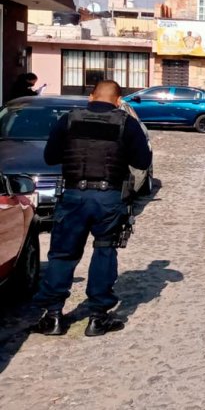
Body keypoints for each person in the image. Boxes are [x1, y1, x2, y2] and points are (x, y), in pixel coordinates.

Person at [31, 80, 152, 337]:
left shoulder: (69, 120)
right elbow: (142, 161)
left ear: (90, 97)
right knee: (104, 251)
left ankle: (52, 315)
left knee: (63, 254)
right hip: (108, 197)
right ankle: (98, 317)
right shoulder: (126, 123)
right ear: (119, 101)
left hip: (74, 194)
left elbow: (50, 157)